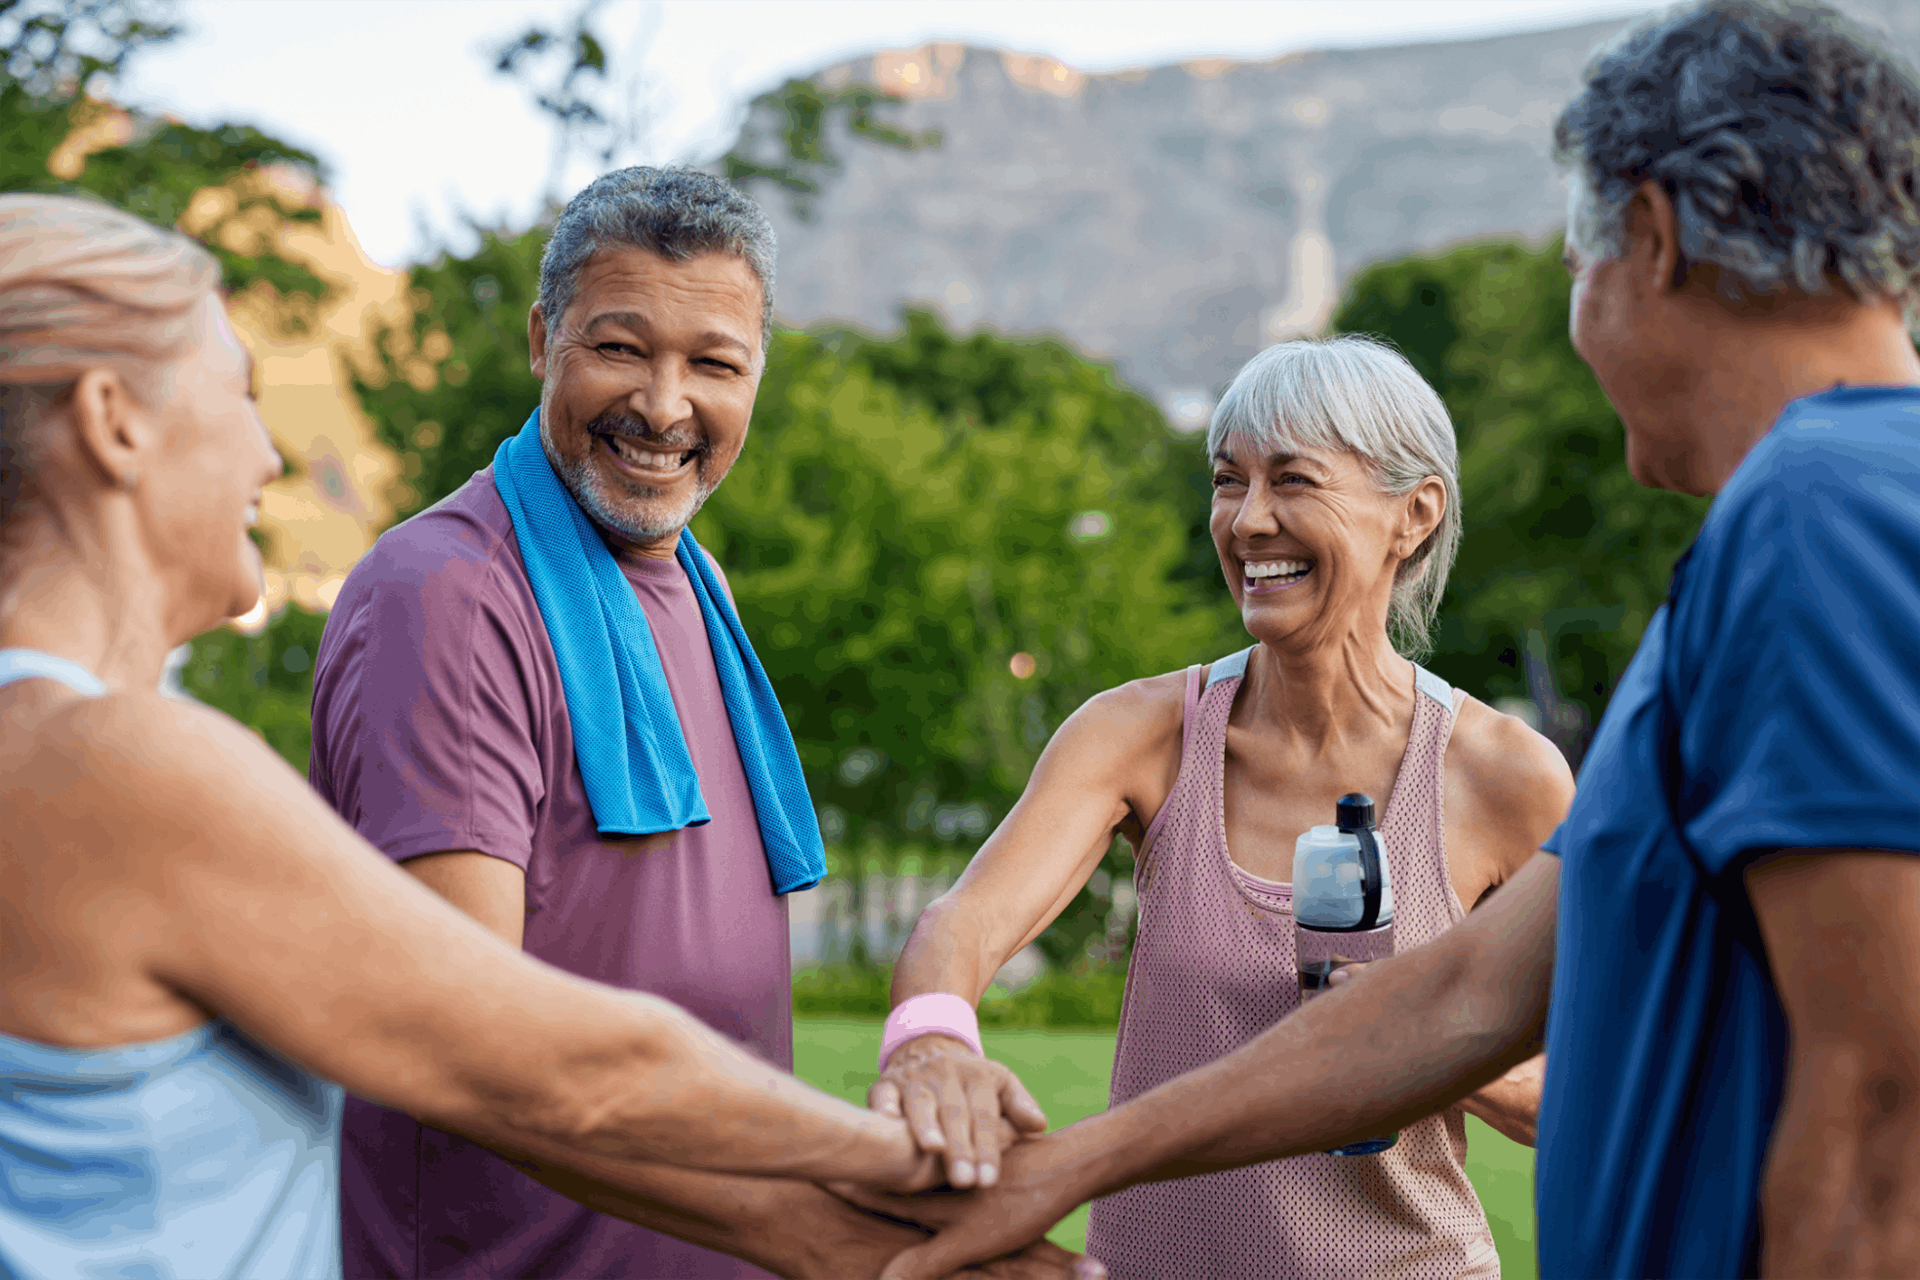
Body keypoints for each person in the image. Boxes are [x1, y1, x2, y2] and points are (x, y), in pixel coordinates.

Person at [847, 3, 1920, 1278]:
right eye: (1224, 479)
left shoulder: (1827, 509)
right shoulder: (1803, 522)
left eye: (1579, 265)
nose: (1247, 520)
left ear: (1652, 238)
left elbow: (1881, 1122)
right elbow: (1462, 999)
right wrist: (1073, 1166)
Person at [0, 194, 1088, 1280]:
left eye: (715, 362)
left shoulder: (698, 588)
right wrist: (903, 1176)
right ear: (114, 419)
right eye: (239, 388)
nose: (274, 457)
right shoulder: (113, 758)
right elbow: (515, 1056)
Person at [867, 333, 1570, 1278]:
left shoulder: (1504, 775)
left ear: (1413, 513)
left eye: (1293, 481)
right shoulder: (1140, 735)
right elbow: (967, 921)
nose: (1247, 521)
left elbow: (1591, 1088)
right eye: (1227, 481)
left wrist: (1425, 1040)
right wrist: (932, 1042)